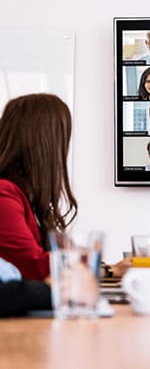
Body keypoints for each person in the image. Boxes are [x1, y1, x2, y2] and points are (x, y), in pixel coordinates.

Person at [0, 93, 130, 281]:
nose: (65, 153)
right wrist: (108, 271)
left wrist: (107, 268)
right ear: (47, 146)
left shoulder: (22, 196)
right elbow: (36, 267)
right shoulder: (4, 195)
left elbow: (49, 261)